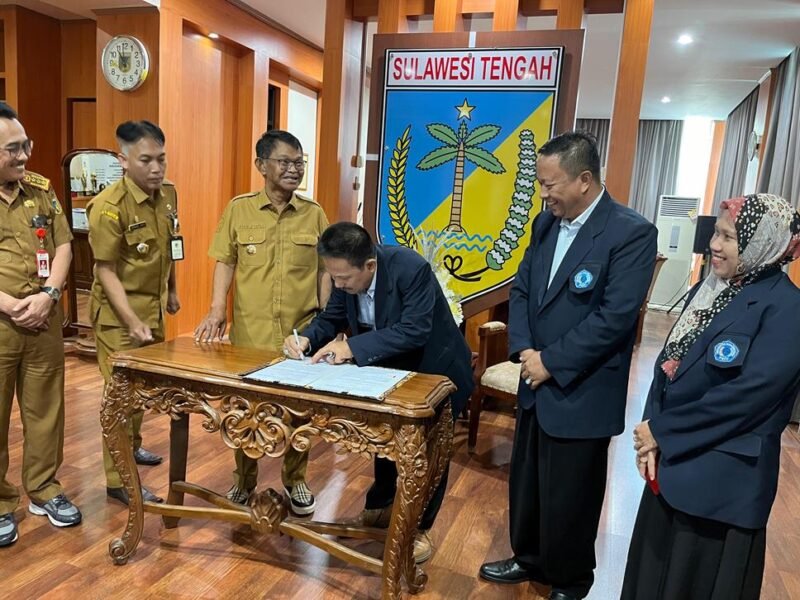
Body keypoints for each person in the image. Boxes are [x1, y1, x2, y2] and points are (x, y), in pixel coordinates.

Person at [479, 131, 658, 600]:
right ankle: (529, 557)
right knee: (529, 482)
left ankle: (571, 578)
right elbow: (521, 289)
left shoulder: (630, 232)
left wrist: (551, 362)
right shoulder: (545, 225)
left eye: (549, 184)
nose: (543, 194)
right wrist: (523, 351)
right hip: (535, 380)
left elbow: (615, 318)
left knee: (572, 495)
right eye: (540, 183)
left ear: (583, 179)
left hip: (583, 387)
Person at [622, 193, 800, 600]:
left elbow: (748, 396)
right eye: (716, 234)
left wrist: (662, 432)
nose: (714, 245)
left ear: (762, 242)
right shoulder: (714, 290)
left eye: (728, 237)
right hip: (671, 469)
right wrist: (650, 433)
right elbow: (668, 364)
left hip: (721, 488)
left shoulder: (788, 308)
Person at [284, 221, 474, 563]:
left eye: (344, 279)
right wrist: (308, 337)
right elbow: (332, 317)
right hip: (389, 369)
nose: (339, 285)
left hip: (436, 370)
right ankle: (380, 509)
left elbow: (414, 330)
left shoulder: (410, 268)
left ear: (369, 265)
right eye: (334, 278)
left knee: (428, 454)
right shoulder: (345, 275)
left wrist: (352, 348)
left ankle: (419, 529)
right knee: (384, 439)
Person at [195, 130, 330, 515]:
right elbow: (226, 260)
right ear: (262, 166)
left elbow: (325, 271)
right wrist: (217, 308)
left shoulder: (314, 213)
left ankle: (295, 479)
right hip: (250, 334)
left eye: (299, 162)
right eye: (285, 162)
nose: (294, 169)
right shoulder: (239, 210)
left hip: (299, 334)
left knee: (297, 410)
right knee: (245, 411)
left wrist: (326, 318)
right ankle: (243, 480)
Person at [0, 102, 82, 547]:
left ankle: (44, 488)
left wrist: (49, 294)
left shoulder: (40, 189)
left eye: (25, 145)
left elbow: (64, 244)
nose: (25, 155)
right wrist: (11, 304)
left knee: (46, 409)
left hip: (43, 318)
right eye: (13, 149)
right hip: (1, 320)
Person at [87, 120, 181, 506]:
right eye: (146, 160)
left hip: (152, 313)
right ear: (123, 160)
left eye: (161, 158)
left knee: (140, 394)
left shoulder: (168, 195)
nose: (157, 168)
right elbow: (103, 270)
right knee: (119, 398)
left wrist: (172, 289)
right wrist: (132, 321)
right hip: (119, 319)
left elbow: (173, 243)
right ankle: (118, 479)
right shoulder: (110, 207)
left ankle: (133, 447)